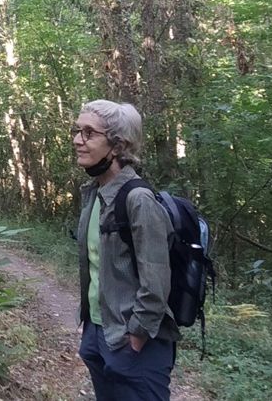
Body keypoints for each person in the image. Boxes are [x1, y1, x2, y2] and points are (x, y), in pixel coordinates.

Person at [74, 100, 177, 401]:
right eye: (77, 130)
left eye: (89, 133)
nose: (78, 140)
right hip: (98, 333)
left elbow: (156, 277)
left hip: (134, 344)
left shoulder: (139, 199)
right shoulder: (94, 194)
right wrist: (91, 332)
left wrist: (137, 336)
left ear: (117, 146)